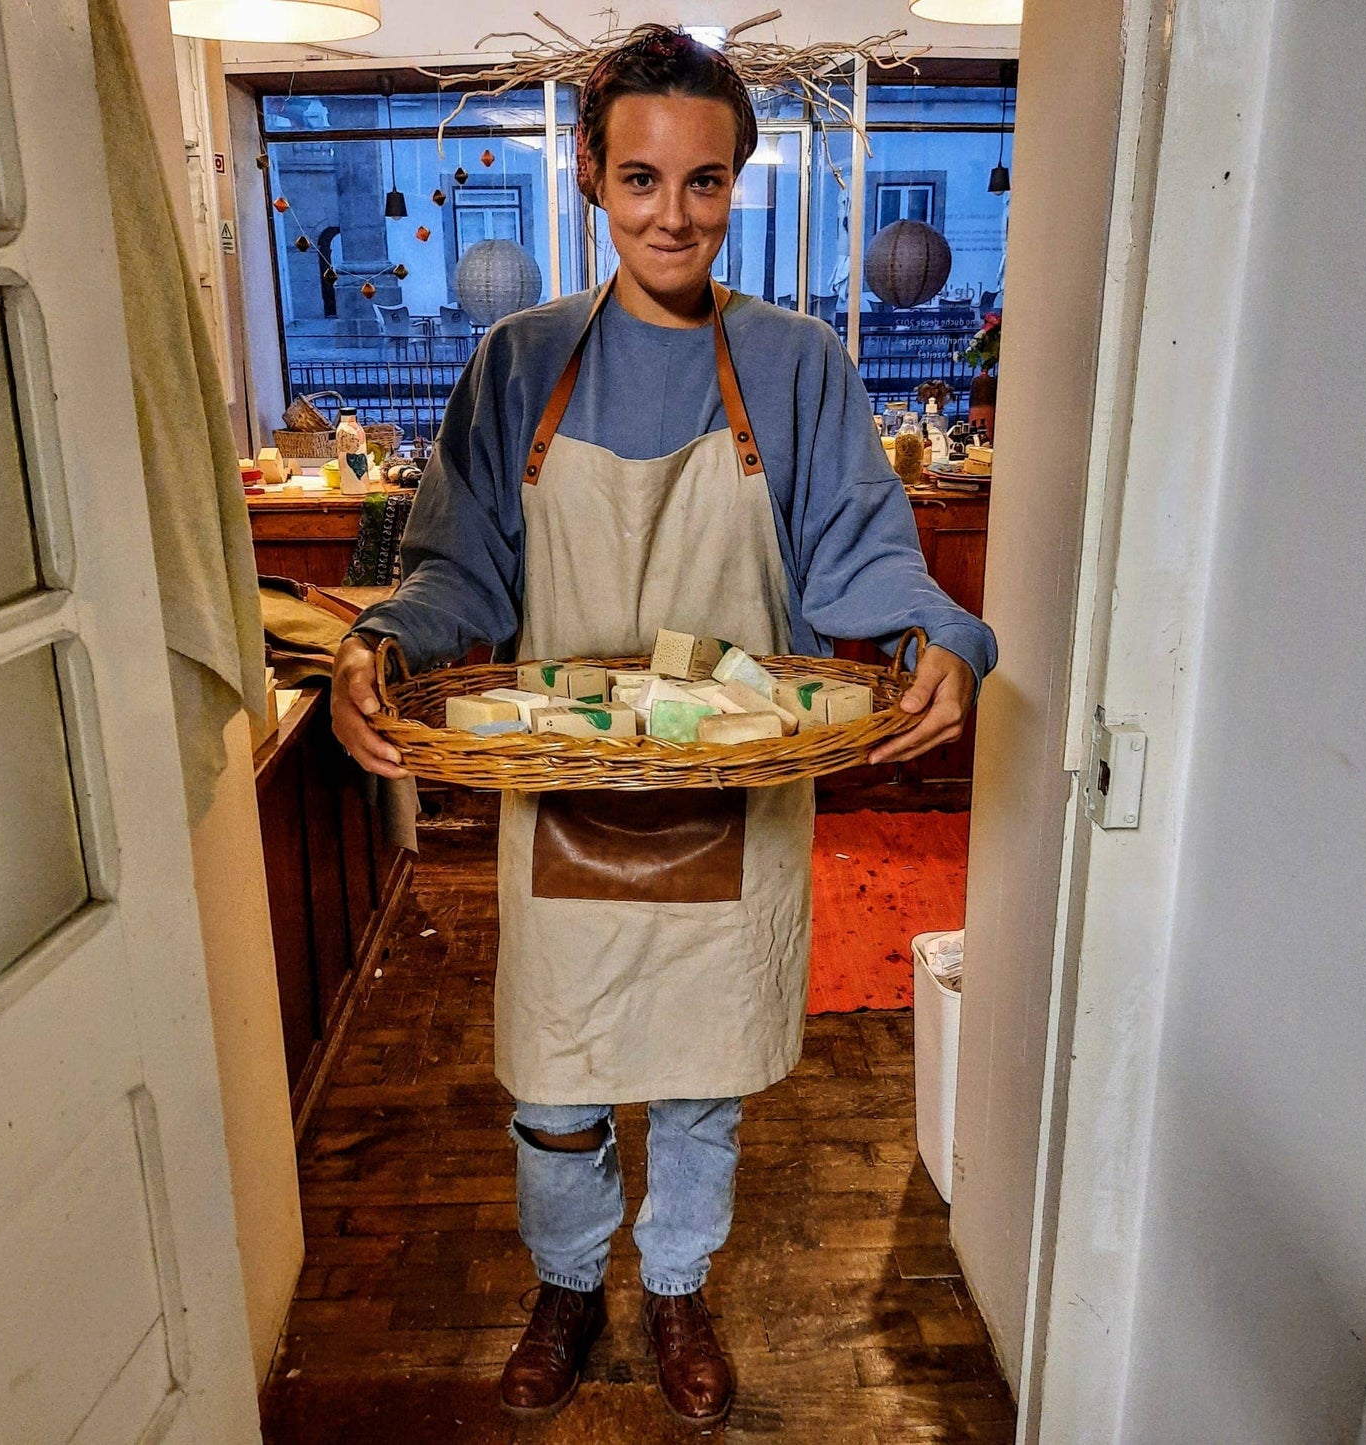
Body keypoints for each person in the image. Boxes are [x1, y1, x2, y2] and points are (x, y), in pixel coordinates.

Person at [331, 26, 997, 1429]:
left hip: (738, 797)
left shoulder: (799, 363)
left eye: (703, 183)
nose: (671, 214)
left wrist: (943, 632)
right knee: (556, 1078)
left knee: (701, 1076)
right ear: (588, 175)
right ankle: (567, 1283)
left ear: (738, 184)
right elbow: (462, 569)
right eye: (639, 179)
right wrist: (381, 638)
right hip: (564, 795)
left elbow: (853, 559)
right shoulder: (518, 361)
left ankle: (677, 1281)